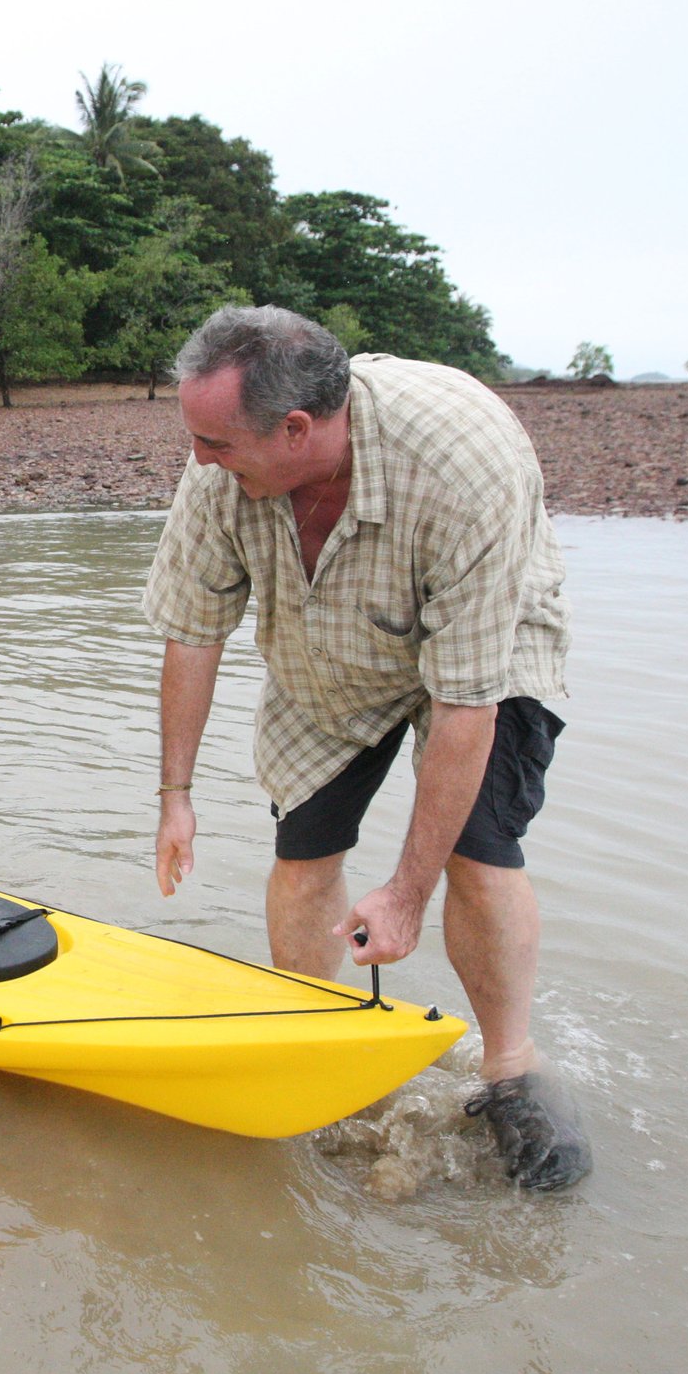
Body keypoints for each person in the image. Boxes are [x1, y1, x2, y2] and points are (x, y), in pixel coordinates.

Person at [143, 306, 590, 1190]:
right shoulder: (220, 475)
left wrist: (406, 892)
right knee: (304, 849)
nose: (197, 459)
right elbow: (192, 634)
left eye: (215, 442)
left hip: (483, 641)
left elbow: (466, 704)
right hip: (327, 634)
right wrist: (176, 796)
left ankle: (510, 1070)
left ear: (296, 428)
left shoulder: (465, 466)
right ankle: (320, 1044)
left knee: (479, 851)